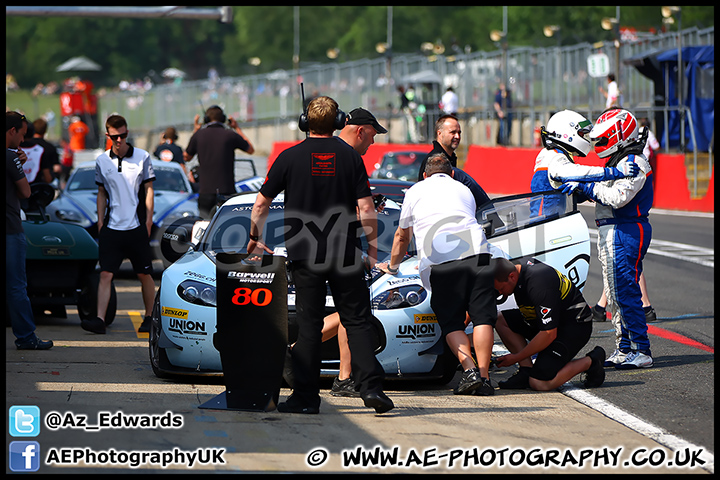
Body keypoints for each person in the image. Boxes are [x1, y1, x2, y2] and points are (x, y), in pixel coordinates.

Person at [248, 96, 393, 415]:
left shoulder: (289, 157)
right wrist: (369, 249)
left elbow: (260, 204)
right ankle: (371, 389)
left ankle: (305, 398)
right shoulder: (351, 158)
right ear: (339, 121)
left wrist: (254, 238)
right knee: (357, 321)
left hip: (305, 254)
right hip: (345, 253)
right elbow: (367, 208)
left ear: (305, 122)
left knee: (310, 325)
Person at [377, 153, 506, 396]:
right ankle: (485, 378)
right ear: (452, 173)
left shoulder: (415, 190)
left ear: (425, 175)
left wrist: (392, 267)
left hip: (443, 259)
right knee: (482, 318)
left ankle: (469, 371)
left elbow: (402, 236)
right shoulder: (463, 189)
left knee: (451, 322)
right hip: (478, 253)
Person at [560, 108, 654, 369]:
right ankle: (625, 348)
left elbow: (618, 197)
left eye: (602, 140)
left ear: (619, 135)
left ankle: (640, 349)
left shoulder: (634, 162)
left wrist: (586, 186)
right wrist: (585, 191)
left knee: (625, 290)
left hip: (625, 229)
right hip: (615, 228)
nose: (599, 145)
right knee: (615, 293)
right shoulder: (620, 161)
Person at [320, 107, 388, 397]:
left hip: (312, 246)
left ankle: (344, 375)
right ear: (360, 130)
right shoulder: (348, 158)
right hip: (340, 248)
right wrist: (372, 251)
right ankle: (296, 354)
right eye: (372, 135)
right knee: (353, 313)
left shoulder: (323, 153)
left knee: (347, 313)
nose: (372, 143)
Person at [83, 114, 156, 335]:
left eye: (123, 135)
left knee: (144, 274)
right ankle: (99, 320)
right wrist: (101, 221)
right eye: (115, 136)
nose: (119, 140)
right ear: (107, 135)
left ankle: (150, 317)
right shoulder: (102, 161)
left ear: (127, 133)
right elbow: (101, 192)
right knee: (105, 274)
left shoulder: (142, 157)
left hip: (136, 227)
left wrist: (149, 221)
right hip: (112, 229)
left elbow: (149, 189)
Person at [492, 257, 605, 391]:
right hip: (544, 322)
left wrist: (516, 357)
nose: (499, 294)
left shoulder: (539, 281)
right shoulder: (514, 268)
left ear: (511, 277)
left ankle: (591, 361)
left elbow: (549, 333)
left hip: (573, 327)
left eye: (500, 289)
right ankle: (525, 370)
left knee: (539, 383)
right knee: (500, 319)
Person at [530, 109, 640, 217]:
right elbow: (580, 172)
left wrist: (583, 192)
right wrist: (615, 172)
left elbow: (562, 191)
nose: (584, 137)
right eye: (582, 134)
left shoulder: (551, 155)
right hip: (546, 225)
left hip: (551, 222)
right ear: (566, 133)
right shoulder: (553, 157)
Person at [6, 111, 53, 350]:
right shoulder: (10, 156)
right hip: (10, 229)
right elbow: (25, 192)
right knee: (16, 286)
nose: (23, 141)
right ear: (12, 131)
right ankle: (26, 337)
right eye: (22, 134)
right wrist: (18, 164)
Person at [184, 105, 255, 219]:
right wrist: (236, 128)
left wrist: (196, 130)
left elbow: (186, 157)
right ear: (223, 119)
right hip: (227, 191)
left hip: (206, 191)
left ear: (206, 119)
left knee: (205, 226)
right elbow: (250, 149)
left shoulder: (199, 135)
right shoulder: (230, 134)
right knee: (228, 225)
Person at [416, 114, 491, 209]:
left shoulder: (449, 158)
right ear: (440, 134)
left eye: (459, 132)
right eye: (453, 132)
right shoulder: (435, 160)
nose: (457, 136)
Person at [19, 120, 54, 185]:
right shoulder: (40, 150)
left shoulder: (12, 149)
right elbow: (48, 178)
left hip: (17, 190)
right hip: (36, 188)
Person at [32, 118, 61, 185]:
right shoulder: (50, 147)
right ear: (45, 130)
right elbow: (57, 168)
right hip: (45, 184)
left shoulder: (27, 146)